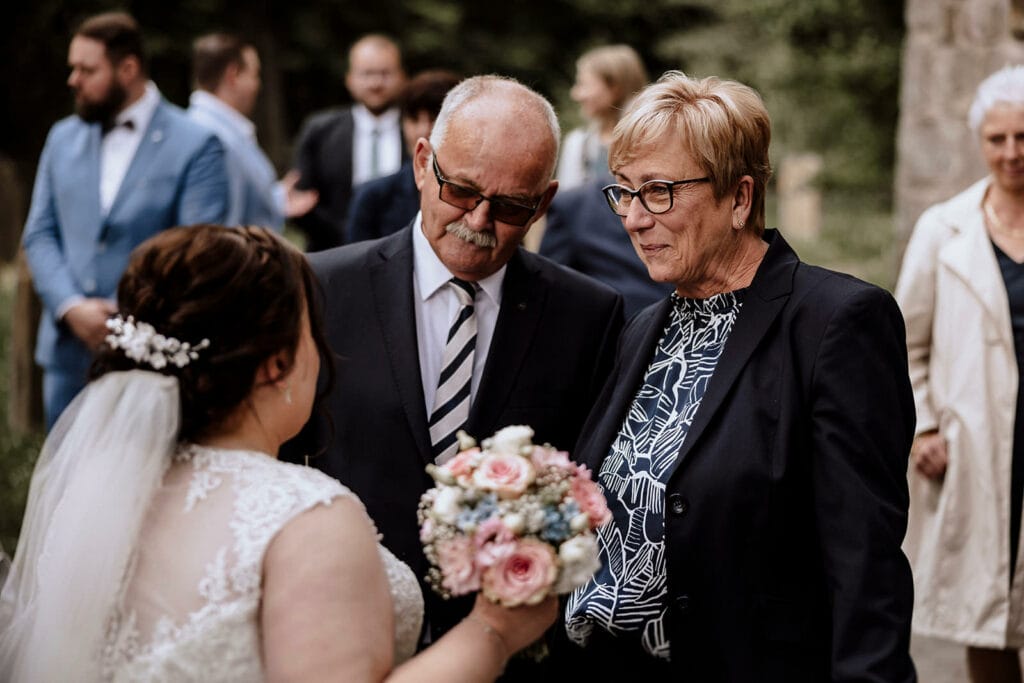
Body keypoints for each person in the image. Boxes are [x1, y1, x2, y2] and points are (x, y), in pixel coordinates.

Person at [0, 224, 556, 682]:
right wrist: (494, 631)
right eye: (313, 332)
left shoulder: (100, 491)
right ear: (275, 364)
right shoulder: (303, 513)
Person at [559, 71, 917, 681]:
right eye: (624, 193)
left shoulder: (836, 322)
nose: (635, 219)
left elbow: (864, 560)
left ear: (740, 198)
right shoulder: (646, 326)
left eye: (660, 191)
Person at [285, 75, 624, 647]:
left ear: (544, 203)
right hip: (337, 627)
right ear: (423, 163)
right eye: (462, 191)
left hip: (509, 648)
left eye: (512, 206)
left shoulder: (588, 317)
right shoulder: (319, 290)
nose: (480, 220)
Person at [21, 11, 229, 429]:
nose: (73, 80)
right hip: (67, 355)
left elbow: (198, 250)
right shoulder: (62, 137)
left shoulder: (197, 144)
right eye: (72, 68)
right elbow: (40, 234)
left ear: (128, 68)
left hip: (151, 362)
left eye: (87, 69)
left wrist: (131, 319)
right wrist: (71, 306)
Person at [897, 64, 1024, 683]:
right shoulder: (943, 230)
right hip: (977, 448)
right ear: (981, 142)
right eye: (998, 139)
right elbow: (906, 344)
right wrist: (922, 427)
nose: (1011, 153)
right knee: (986, 613)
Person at [187, 32, 318, 230]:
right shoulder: (212, 138)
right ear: (233, 75)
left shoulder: (214, 129)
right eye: (254, 74)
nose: (258, 85)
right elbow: (220, 225)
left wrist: (276, 198)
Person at [292, 34, 407, 251]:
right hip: (333, 255)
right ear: (349, 79)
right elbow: (302, 201)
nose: (375, 83)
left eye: (385, 73)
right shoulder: (320, 131)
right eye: (367, 74)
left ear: (402, 77)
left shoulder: (420, 132)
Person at [346, 69, 461, 244]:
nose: (423, 130)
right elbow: (355, 264)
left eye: (435, 118)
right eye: (413, 119)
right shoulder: (372, 197)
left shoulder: (484, 197)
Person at [540, 171, 673, 317]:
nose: (632, 222)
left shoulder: (679, 196)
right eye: (624, 192)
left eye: (659, 190)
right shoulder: (575, 206)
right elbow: (549, 289)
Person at [556, 45, 648, 190]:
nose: (575, 94)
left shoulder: (648, 142)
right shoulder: (578, 144)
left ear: (615, 88)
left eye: (583, 84)